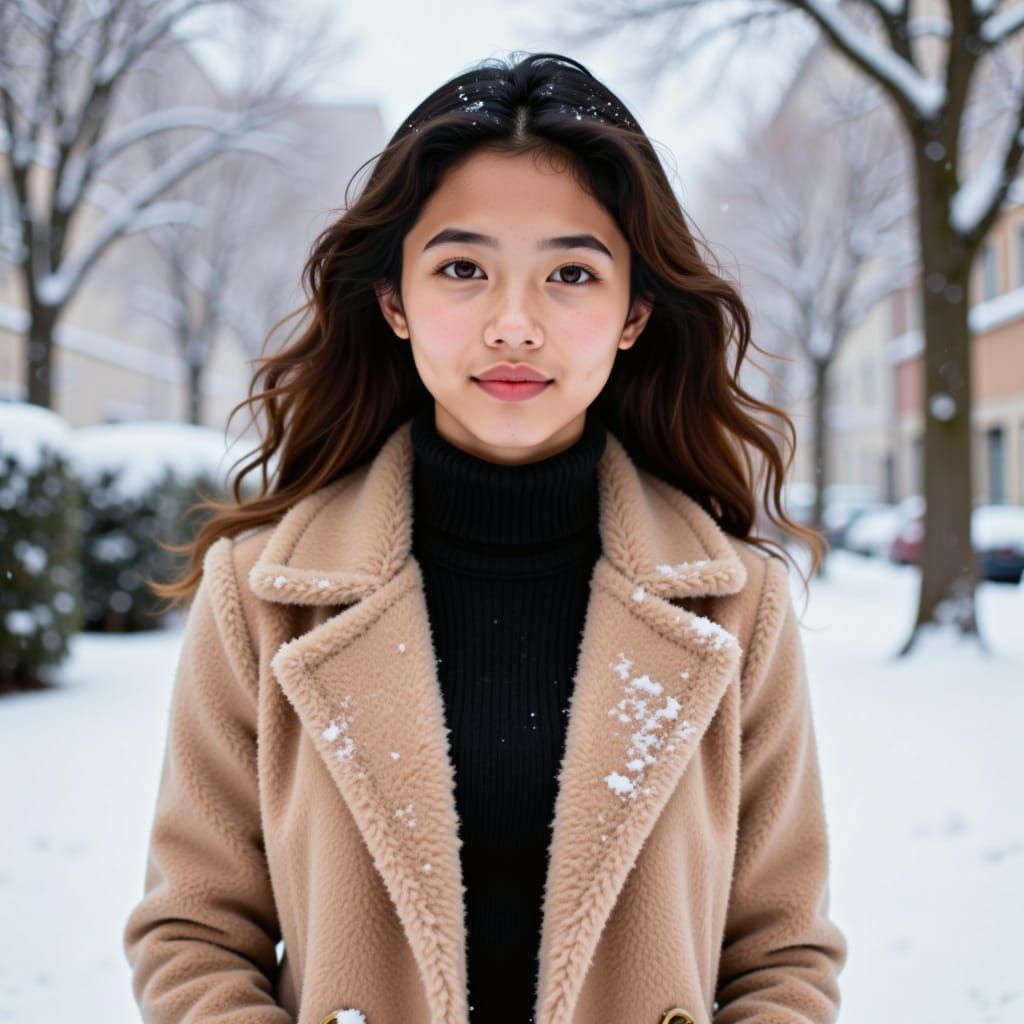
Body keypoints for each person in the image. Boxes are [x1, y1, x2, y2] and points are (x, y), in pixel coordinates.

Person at [123, 51, 847, 1024]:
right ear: (393, 300)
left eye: (570, 272)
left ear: (633, 313)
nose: (514, 323)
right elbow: (195, 931)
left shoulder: (734, 602)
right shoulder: (262, 594)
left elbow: (782, 950)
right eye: (463, 268)